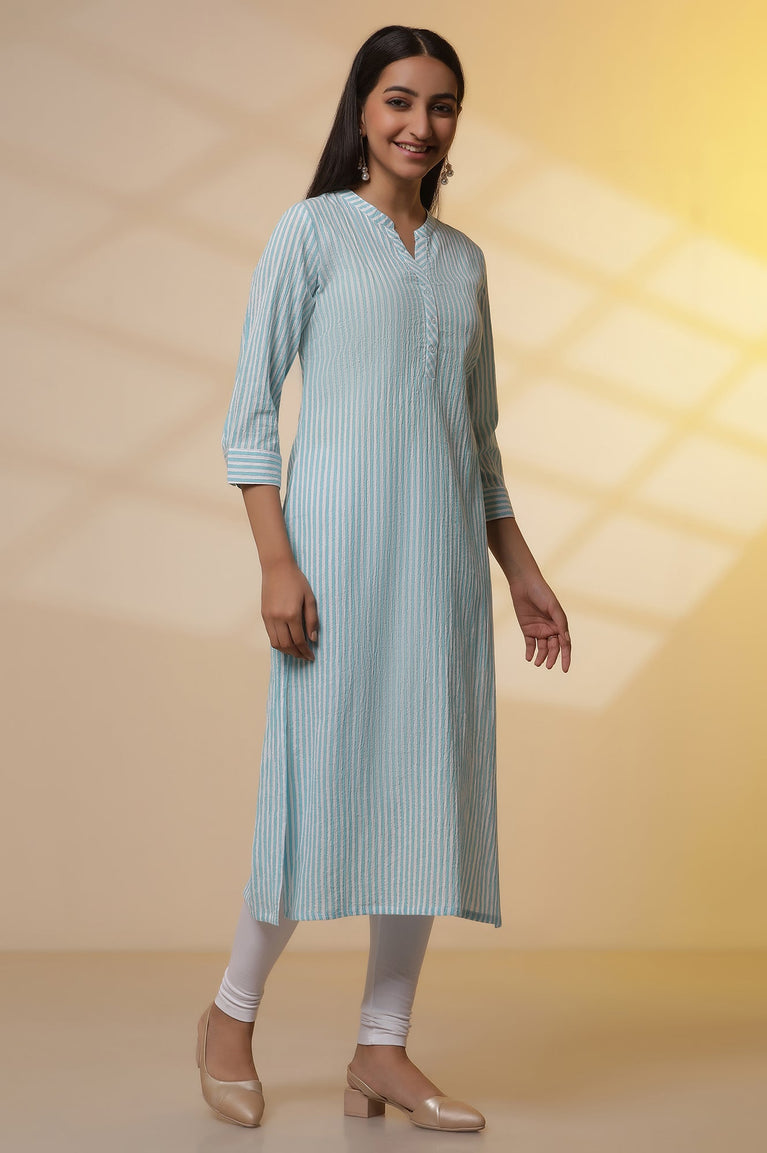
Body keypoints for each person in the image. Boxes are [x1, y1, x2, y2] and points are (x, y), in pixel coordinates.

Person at [195, 24, 571, 1133]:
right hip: (333, 565)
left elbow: (477, 439)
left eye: (441, 105)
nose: (420, 123)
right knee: (313, 785)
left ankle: (381, 1046)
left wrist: (520, 570)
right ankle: (228, 1016)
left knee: (425, 796)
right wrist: (276, 561)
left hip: (440, 572)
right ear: (361, 109)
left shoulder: (463, 263)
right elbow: (249, 413)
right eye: (399, 99)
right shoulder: (310, 233)